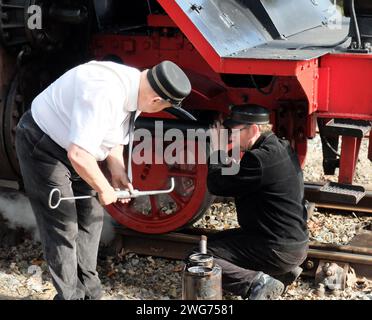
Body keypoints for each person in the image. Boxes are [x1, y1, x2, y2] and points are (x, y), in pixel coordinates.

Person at [15, 60, 191, 300]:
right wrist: (104, 187)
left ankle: (90, 291)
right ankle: (70, 296)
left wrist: (117, 170)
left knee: (92, 217)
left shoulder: (139, 86)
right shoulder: (104, 93)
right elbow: (78, 154)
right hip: (43, 144)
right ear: (156, 101)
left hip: (76, 148)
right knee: (63, 225)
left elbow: (115, 133)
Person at [206, 104, 309, 300]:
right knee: (214, 242)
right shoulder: (280, 147)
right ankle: (283, 272)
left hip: (276, 248)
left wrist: (217, 150)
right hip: (294, 243)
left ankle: (257, 283)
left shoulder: (258, 159)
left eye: (234, 132)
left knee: (201, 258)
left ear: (253, 129)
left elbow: (217, 185)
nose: (230, 137)